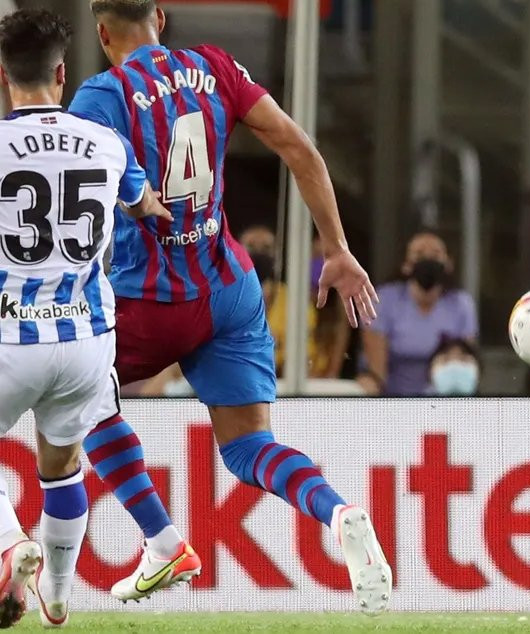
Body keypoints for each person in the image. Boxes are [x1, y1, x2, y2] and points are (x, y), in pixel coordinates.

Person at [68, 0, 391, 611]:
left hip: (149, 302)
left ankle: (161, 543)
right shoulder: (215, 66)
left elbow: (71, 197)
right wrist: (337, 248)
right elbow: (299, 148)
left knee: (69, 392)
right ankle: (337, 511)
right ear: (160, 18)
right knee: (248, 447)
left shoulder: (101, 96)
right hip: (228, 292)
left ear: (103, 32)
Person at [0, 9, 172, 626]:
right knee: (61, 468)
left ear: (4, 77)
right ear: (62, 74)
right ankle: (58, 595)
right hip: (85, 341)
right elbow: (148, 206)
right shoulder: (106, 141)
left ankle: (10, 546)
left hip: (10, 335)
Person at [359, 230, 477, 396]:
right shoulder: (382, 300)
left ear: (448, 264)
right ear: (406, 265)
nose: (428, 259)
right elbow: (376, 373)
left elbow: (464, 364)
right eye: (419, 254)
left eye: (435, 254)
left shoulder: (461, 304)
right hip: (393, 397)